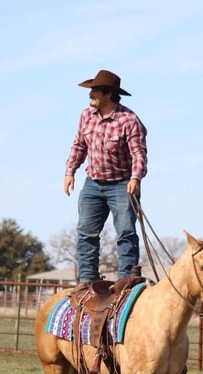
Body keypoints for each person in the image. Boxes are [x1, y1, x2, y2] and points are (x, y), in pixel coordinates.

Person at [64, 69, 148, 283]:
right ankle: (87, 280)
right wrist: (70, 171)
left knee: (126, 232)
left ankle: (125, 281)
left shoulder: (129, 120)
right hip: (92, 183)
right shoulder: (86, 116)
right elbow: (79, 145)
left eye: (94, 91)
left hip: (121, 184)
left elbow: (138, 153)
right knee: (85, 232)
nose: (90, 94)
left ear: (108, 94)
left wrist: (135, 179)